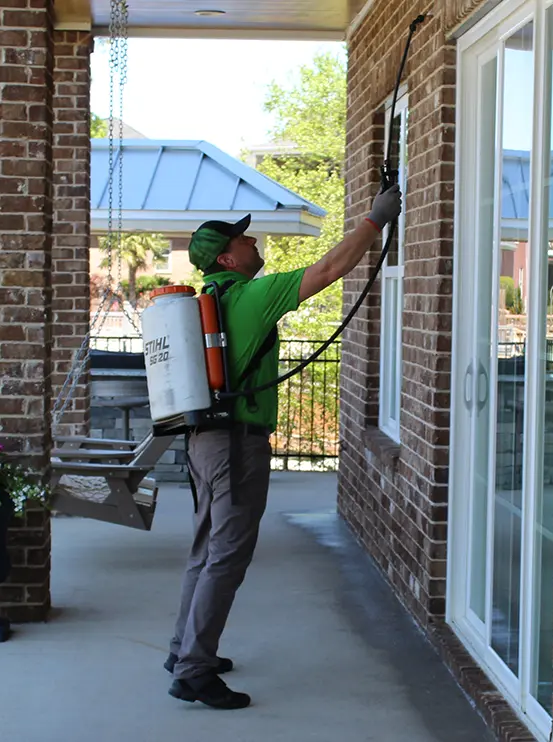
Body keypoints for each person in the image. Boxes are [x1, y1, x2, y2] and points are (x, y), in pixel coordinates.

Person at [165, 184, 403, 710]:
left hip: (203, 443)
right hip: (234, 447)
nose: (253, 245)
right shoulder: (252, 295)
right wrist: (375, 220)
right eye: (243, 241)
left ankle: (184, 647)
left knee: (205, 549)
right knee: (227, 555)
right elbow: (326, 270)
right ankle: (193, 670)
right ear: (227, 257)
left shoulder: (209, 301)